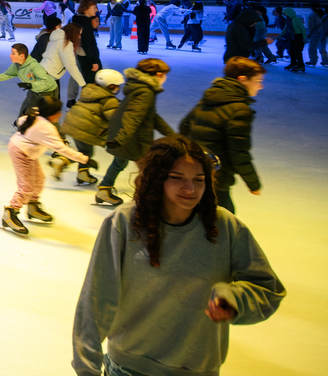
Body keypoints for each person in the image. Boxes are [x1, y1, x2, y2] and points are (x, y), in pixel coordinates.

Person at [72, 135, 285, 376]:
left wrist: (236, 299)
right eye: (177, 178)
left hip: (197, 369)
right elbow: (97, 297)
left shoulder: (225, 227)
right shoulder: (124, 223)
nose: (190, 189)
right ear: (157, 179)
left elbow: (269, 288)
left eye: (199, 179)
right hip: (130, 367)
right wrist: (86, 367)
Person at [179, 57, 265, 213]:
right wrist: (253, 183)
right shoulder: (239, 109)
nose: (261, 86)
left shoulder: (210, 97)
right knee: (223, 219)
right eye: (258, 81)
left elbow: (184, 126)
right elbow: (239, 152)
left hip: (193, 169)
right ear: (242, 79)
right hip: (217, 176)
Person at [1, 96, 94, 235]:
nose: (61, 114)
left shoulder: (36, 118)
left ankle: (33, 206)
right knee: (26, 186)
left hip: (26, 151)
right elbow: (62, 149)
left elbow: (21, 121)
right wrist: (84, 159)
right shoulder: (46, 128)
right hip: (21, 152)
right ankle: (10, 213)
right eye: (58, 112)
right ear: (51, 113)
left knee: (39, 179)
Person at [97, 59, 176, 207]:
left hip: (126, 134)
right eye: (165, 75)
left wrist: (172, 135)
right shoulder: (145, 92)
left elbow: (151, 115)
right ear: (159, 75)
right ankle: (146, 200)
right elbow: (133, 116)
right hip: (133, 137)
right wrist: (121, 139)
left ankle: (104, 189)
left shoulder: (141, 88)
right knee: (149, 168)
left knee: (120, 162)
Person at [61, 69, 124, 186]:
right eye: (117, 86)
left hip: (72, 123)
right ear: (110, 86)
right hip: (86, 129)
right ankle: (62, 161)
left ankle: (83, 174)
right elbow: (114, 119)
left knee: (84, 151)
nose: (118, 88)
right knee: (86, 154)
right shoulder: (109, 100)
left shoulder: (89, 91)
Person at [0, 43, 56, 117]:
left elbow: (45, 82)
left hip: (48, 91)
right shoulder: (16, 66)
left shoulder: (34, 66)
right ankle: (23, 125)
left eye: (13, 53)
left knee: (47, 116)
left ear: (22, 56)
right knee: (28, 112)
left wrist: (31, 85)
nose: (10, 55)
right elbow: (8, 74)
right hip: (34, 90)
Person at [280, 6, 306, 72]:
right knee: (291, 51)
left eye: (285, 13)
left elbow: (303, 29)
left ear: (289, 13)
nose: (284, 15)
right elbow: (285, 29)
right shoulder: (288, 20)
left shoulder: (296, 19)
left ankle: (301, 65)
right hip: (292, 37)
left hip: (299, 37)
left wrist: (305, 38)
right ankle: (293, 63)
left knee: (298, 52)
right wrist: (280, 36)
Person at [307, 1, 325, 67]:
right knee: (322, 48)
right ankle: (325, 61)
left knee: (312, 48)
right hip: (323, 34)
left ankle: (313, 61)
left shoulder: (312, 15)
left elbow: (311, 26)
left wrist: (309, 33)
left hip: (315, 35)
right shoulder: (324, 14)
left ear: (311, 7)